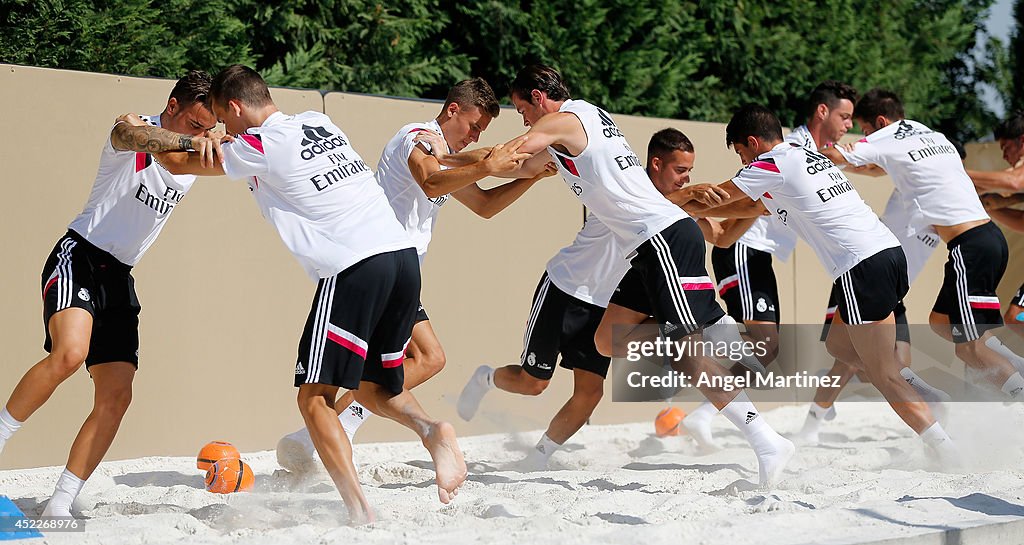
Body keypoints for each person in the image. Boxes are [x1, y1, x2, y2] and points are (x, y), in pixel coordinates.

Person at [152, 65, 486, 524]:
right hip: (403, 260)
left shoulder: (260, 143)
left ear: (235, 106)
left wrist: (138, 131)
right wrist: (221, 143)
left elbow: (172, 161)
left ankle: (359, 509)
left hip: (354, 267)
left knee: (314, 398)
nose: (220, 131)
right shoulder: (320, 122)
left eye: (222, 121)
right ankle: (433, 430)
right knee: (372, 385)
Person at [464, 65, 795, 488]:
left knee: (686, 353)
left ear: (539, 97)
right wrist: (460, 161)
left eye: (521, 108)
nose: (523, 117)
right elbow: (521, 167)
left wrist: (451, 161)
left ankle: (765, 439)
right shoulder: (583, 127)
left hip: (661, 242)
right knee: (607, 339)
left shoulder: (563, 120)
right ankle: (712, 328)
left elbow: (512, 152)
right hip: (643, 252)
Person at [276, 78, 546, 471]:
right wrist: (486, 163)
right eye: (473, 125)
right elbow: (430, 179)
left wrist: (531, 177)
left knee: (424, 359)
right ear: (453, 109)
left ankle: (323, 434)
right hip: (370, 268)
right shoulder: (417, 137)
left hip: (396, 276)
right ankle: (321, 438)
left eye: (481, 132)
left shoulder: (445, 158)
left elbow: (485, 205)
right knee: (374, 369)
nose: (474, 136)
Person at [455, 127, 750, 469]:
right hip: (564, 289)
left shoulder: (669, 211)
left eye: (689, 172)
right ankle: (486, 377)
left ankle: (538, 457)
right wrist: (696, 196)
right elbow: (667, 203)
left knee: (590, 393)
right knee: (533, 383)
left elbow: (722, 235)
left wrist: (765, 206)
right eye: (680, 171)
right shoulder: (624, 188)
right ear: (656, 164)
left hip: (603, 303)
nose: (686, 179)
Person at [689, 104, 959, 466]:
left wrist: (663, 202)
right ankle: (920, 388)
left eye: (741, 153)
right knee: (838, 345)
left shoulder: (771, 163)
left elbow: (718, 198)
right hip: (891, 255)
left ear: (752, 143)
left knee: (884, 375)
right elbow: (745, 211)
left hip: (860, 265)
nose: (743, 162)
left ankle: (945, 448)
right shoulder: (808, 158)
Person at [0, 71, 219, 517]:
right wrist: (193, 141)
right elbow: (129, 132)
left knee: (117, 395)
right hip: (80, 255)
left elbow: (204, 159)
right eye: (195, 123)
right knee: (69, 354)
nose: (201, 133)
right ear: (172, 106)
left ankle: (59, 504)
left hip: (119, 275)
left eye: (207, 127)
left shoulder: (191, 152)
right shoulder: (134, 128)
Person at [821, 89, 1024, 401]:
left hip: (969, 246)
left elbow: (840, 157)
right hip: (986, 241)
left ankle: (1019, 393)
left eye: (864, 129)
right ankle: (1014, 367)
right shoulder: (931, 136)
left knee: (969, 347)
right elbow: (877, 168)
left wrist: (813, 153)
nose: (864, 135)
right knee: (940, 323)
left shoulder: (885, 137)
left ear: (879, 121)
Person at [968, 112, 1024, 342]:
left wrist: (960, 174)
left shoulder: (1019, 174)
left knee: (1015, 316)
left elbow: (1014, 181)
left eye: (1006, 147)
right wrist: (989, 206)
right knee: (1015, 317)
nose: (1003, 154)